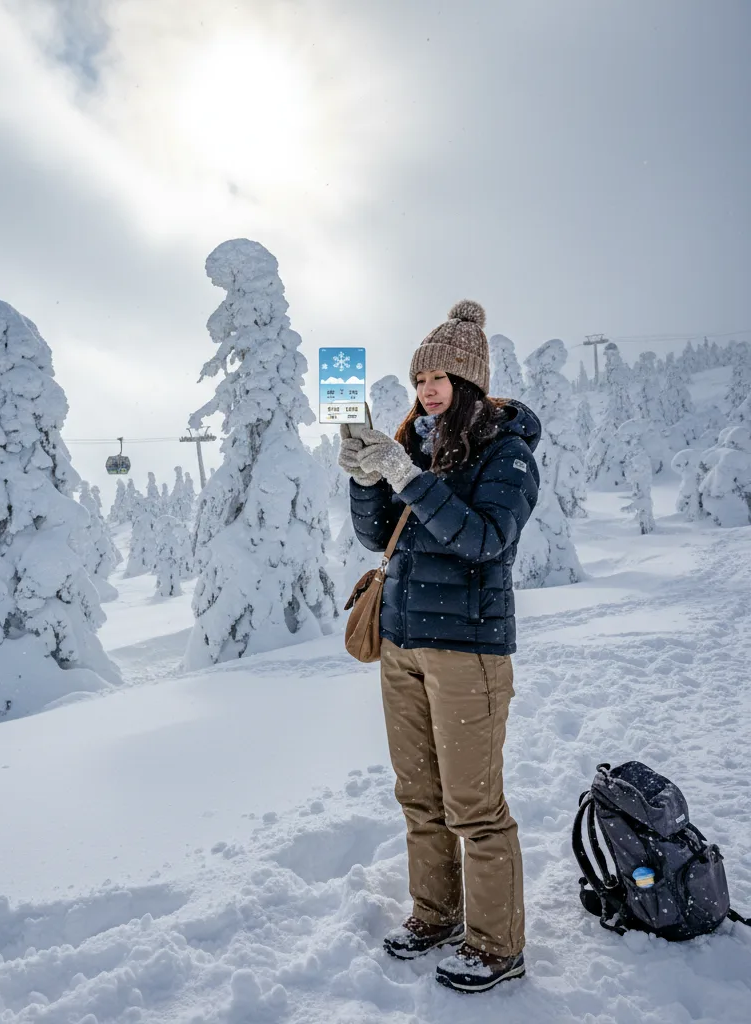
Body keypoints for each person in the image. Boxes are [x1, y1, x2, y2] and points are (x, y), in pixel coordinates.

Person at [338, 299, 541, 993]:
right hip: (401, 646)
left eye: (441, 375)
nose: (427, 387)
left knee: (475, 808)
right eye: (420, 374)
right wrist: (368, 479)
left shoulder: (506, 454)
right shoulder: (416, 444)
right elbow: (378, 536)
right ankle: (435, 913)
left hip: (468, 653)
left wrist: (408, 477)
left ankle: (496, 944)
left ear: (472, 381)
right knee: (418, 798)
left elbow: (486, 540)